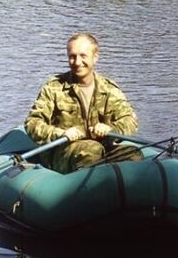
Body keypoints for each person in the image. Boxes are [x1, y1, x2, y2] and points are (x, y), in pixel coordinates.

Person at [25, 33, 142, 173]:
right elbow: (32, 123)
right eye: (72, 56)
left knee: (133, 153)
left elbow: (130, 120)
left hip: (102, 149)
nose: (77, 62)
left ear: (95, 56)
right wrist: (61, 133)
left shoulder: (109, 89)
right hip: (64, 152)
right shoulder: (54, 87)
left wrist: (111, 129)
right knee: (91, 150)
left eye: (83, 56)